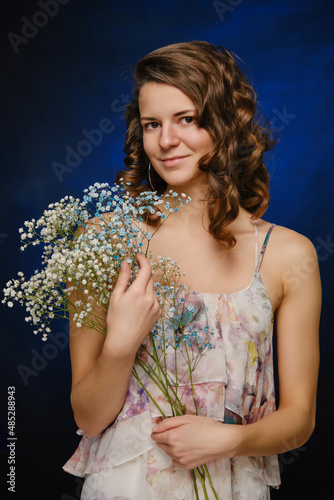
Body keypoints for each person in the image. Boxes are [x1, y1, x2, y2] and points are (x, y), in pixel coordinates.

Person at [63, 41, 321, 499]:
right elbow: (88, 417)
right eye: (151, 125)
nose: (165, 141)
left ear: (225, 124)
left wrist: (233, 439)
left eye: (187, 119)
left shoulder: (286, 254)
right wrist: (120, 345)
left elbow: (299, 419)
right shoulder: (106, 240)